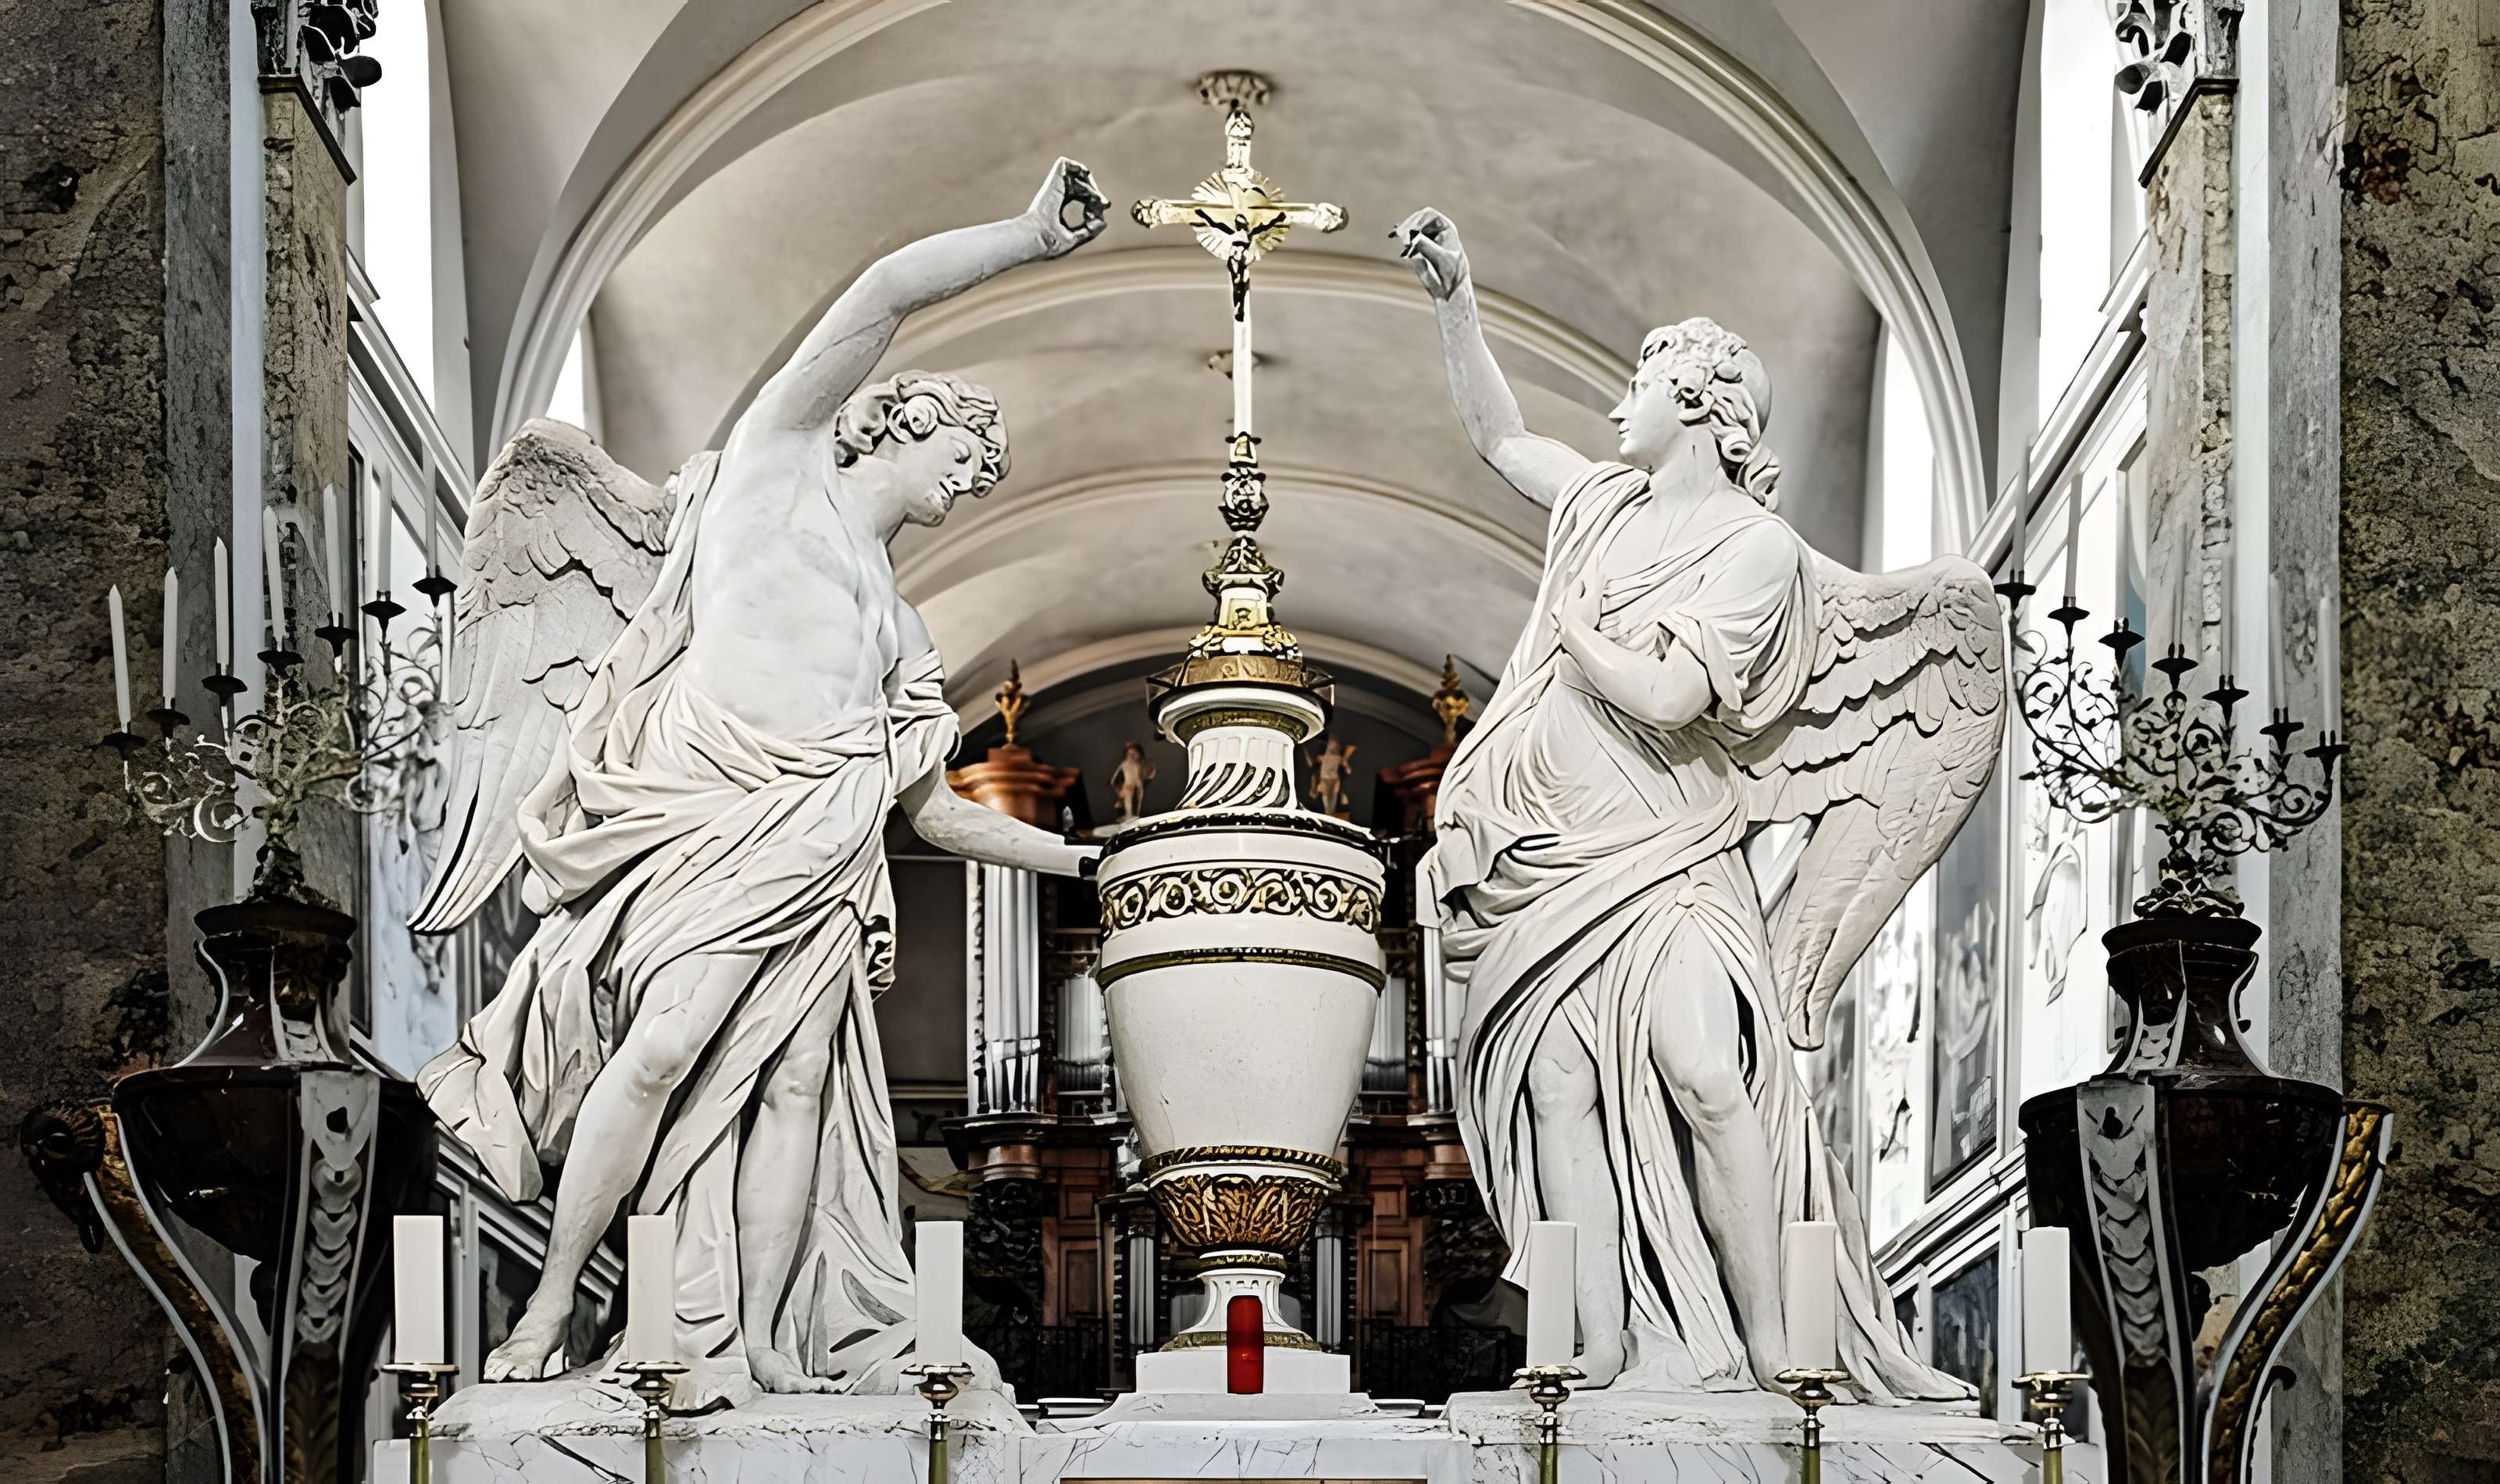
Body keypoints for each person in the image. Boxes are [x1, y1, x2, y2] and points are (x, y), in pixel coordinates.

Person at [420, 160, 1109, 1405]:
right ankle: (552, 1300)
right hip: (714, 822)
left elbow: (938, 811)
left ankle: (764, 1353)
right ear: (899, 420)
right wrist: (1020, 239)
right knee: (660, 1051)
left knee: (798, 1091)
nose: (975, 481)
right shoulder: (773, 468)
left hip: (824, 861)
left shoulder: (905, 634)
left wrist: (1083, 862)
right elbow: (883, 289)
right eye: (968, 450)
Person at [1396, 206, 1973, 1400]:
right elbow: (1501, 437)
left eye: (1642, 378)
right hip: (1540, 856)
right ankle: (1596, 1341)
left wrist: (1574, 635)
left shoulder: (1757, 551)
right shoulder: (1597, 508)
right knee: (1560, 1093)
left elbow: (1669, 695)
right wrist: (1458, 296)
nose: (1618, 406)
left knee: (1709, 1075)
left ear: (1703, 401)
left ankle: (1770, 1336)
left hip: (1665, 851)